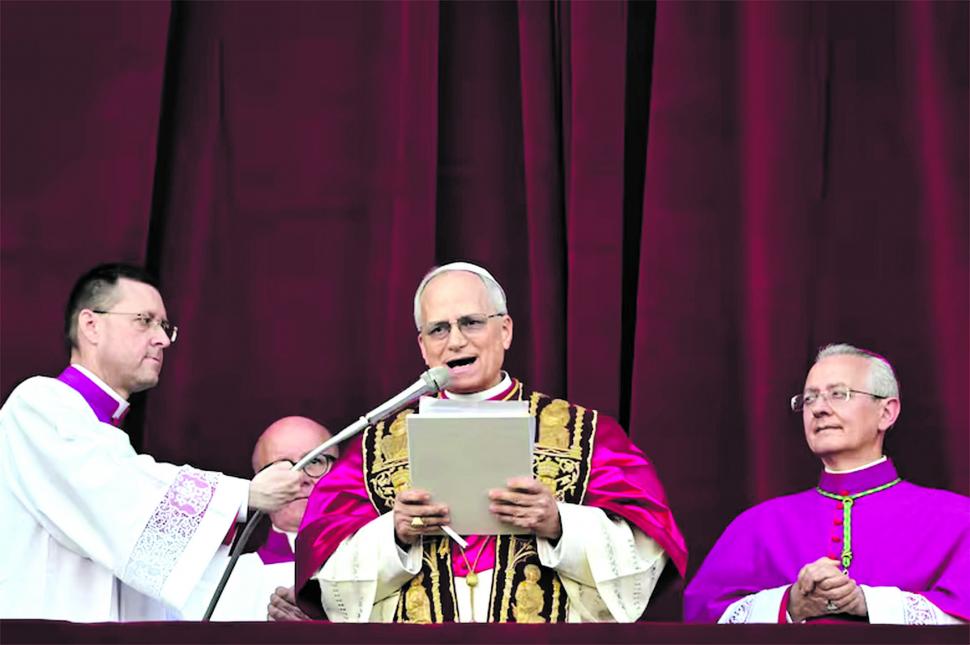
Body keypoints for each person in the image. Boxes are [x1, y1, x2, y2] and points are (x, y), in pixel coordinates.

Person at [295, 261, 688, 622]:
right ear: (423, 347)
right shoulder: (375, 447)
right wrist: (394, 535)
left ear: (505, 331)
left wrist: (560, 524)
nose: (455, 341)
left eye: (471, 322)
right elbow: (326, 573)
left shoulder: (583, 434)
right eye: (438, 329)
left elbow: (645, 558)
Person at [0, 263, 304, 621]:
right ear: (91, 325)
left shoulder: (106, 435)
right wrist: (243, 495)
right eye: (144, 321)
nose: (163, 339)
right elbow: (113, 493)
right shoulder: (38, 404)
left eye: (165, 326)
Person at [684, 343, 969, 624]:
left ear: (886, 413)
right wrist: (790, 604)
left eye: (838, 394)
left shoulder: (957, 519)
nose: (819, 408)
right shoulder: (758, 525)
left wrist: (868, 603)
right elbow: (702, 618)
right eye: (809, 399)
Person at [211, 416, 337, 621]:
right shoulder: (221, 580)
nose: (300, 478)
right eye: (281, 467)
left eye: (315, 461)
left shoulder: (384, 559)